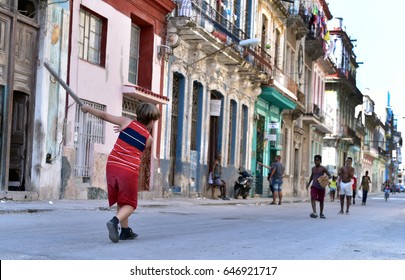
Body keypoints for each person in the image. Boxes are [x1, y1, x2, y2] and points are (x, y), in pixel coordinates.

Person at [80, 102, 160, 243]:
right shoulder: (149, 139)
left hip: (112, 165)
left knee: (121, 199)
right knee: (131, 204)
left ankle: (125, 231)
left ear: (138, 114)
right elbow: (137, 151)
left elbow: (104, 115)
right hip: (128, 169)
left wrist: (87, 109)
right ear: (152, 121)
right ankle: (114, 221)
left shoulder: (125, 122)